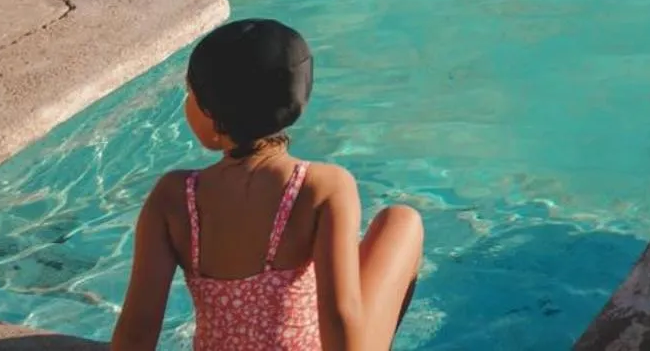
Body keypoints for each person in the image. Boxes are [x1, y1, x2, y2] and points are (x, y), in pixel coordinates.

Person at [112, 19, 424, 351]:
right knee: (402, 222)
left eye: (190, 93)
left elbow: (137, 333)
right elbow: (340, 319)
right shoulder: (323, 187)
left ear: (211, 109)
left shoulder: (174, 196)